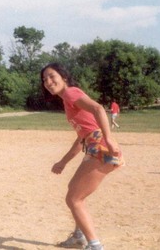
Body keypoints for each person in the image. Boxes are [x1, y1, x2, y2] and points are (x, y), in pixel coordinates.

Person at [40, 63, 125, 250]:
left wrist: (109, 139)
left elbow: (99, 109)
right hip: (94, 144)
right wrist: (63, 162)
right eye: (44, 79)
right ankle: (79, 236)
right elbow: (82, 137)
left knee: (74, 199)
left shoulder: (71, 93)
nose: (48, 81)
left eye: (52, 76)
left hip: (100, 146)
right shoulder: (67, 99)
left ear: (64, 77)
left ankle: (95, 245)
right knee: (74, 191)